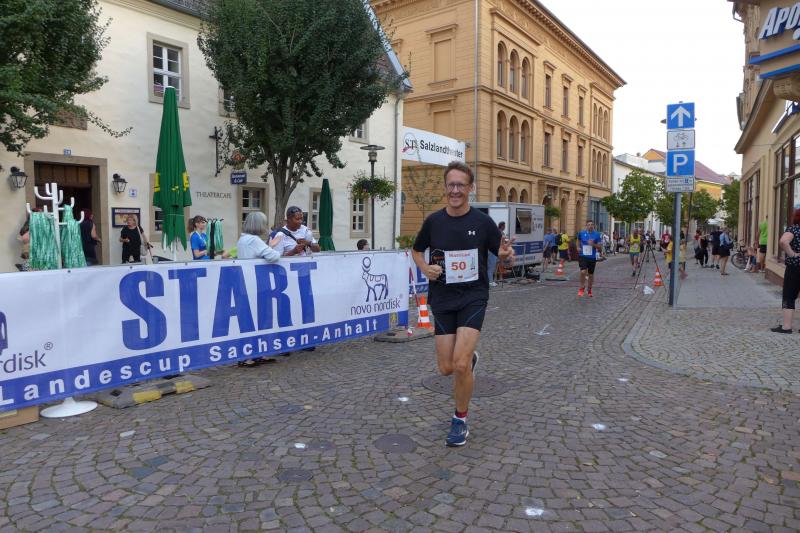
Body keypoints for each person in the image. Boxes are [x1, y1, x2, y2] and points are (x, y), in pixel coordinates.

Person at [412, 161, 514, 447]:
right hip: (443, 298)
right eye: (451, 185)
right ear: (445, 187)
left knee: (459, 364)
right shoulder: (434, 221)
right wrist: (425, 268)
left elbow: (504, 254)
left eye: (461, 185)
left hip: (473, 297)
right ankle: (470, 360)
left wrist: (507, 255)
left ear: (471, 188)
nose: (455, 190)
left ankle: (460, 419)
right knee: (446, 368)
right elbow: (416, 251)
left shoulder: (482, 223)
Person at [236, 211, 282, 365]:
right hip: (258, 285)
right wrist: (272, 245)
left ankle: (252, 353)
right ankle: (253, 354)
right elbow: (274, 256)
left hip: (245, 285)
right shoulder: (254, 240)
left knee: (249, 320)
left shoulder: (242, 239)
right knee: (261, 319)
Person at [771, 208, 800, 333]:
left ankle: (787, 327)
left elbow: (783, 241)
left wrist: (792, 254)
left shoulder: (794, 229)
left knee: (789, 295)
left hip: (795, 267)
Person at [577, 220, 602, 297]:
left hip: (592, 257)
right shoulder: (581, 233)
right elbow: (578, 240)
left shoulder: (597, 234)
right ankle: (582, 287)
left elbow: (600, 248)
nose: (590, 226)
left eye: (592, 224)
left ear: (593, 226)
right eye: (589, 225)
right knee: (583, 272)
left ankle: (589, 289)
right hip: (583, 256)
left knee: (590, 275)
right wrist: (578, 247)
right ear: (586, 226)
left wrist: (593, 244)